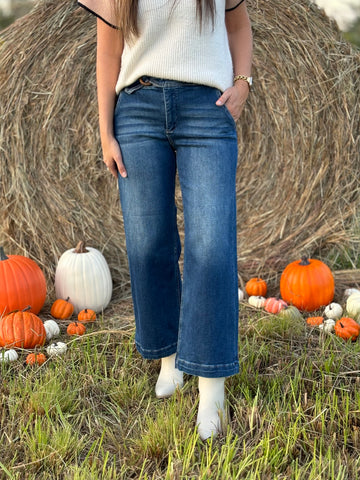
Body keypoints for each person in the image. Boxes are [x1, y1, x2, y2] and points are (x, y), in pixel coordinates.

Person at [78, 0, 253, 440]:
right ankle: (169, 357)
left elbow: (239, 26)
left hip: (206, 107)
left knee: (211, 245)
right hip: (137, 110)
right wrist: (106, 133)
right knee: (147, 243)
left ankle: (212, 387)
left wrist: (243, 82)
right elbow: (109, 52)